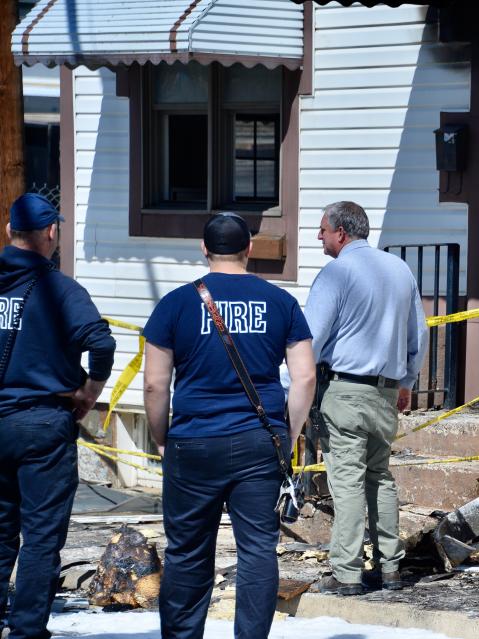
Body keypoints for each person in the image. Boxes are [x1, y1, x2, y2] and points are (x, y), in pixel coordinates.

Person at [143, 212, 315, 639]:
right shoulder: (281, 302)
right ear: (249, 249)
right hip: (260, 440)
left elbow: (153, 384)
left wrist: (161, 438)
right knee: (258, 550)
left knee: (186, 553)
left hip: (192, 440)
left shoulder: (176, 304)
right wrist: (286, 435)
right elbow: (306, 377)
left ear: (203, 249)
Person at [0, 193, 116, 639]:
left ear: (10, 232)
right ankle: (28, 629)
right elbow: (101, 343)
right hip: (42, 423)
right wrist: (89, 390)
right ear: (51, 233)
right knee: (41, 534)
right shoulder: (60, 290)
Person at [305, 201, 427, 596]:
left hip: (344, 389)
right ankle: (391, 567)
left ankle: (346, 574)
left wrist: (295, 388)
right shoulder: (399, 270)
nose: (319, 236)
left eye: (322, 229)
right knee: (380, 477)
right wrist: (406, 381)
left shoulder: (336, 273)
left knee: (347, 483)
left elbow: (312, 339)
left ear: (341, 232)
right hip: (385, 391)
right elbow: (418, 335)